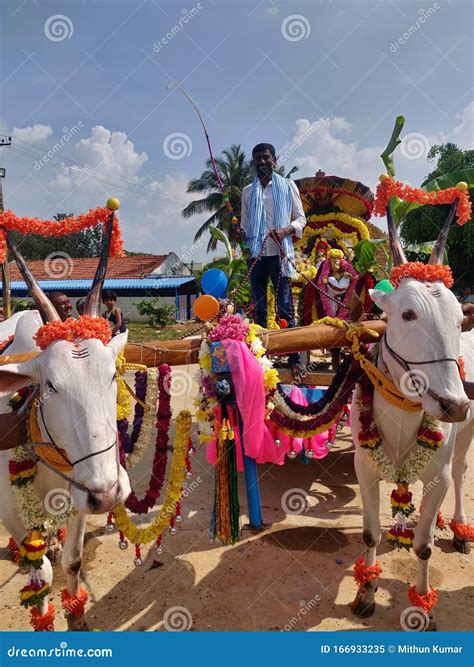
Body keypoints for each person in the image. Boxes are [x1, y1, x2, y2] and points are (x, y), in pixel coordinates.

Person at [240, 143, 306, 374]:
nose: (262, 162)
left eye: (265, 158)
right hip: (256, 256)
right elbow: (245, 224)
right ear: (253, 162)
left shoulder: (288, 186)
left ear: (275, 159)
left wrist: (286, 230)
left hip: (280, 254)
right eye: (257, 158)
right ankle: (261, 357)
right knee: (258, 309)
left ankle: (294, 359)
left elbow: (301, 219)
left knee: (285, 308)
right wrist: (240, 233)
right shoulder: (248, 191)